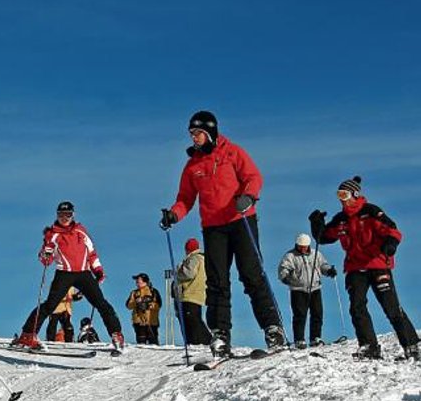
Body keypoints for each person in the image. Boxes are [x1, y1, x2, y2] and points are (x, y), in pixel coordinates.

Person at [160, 110, 285, 356]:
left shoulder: (232, 152)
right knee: (216, 281)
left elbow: (253, 176)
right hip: (213, 227)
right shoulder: (192, 165)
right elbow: (185, 198)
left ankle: (273, 328)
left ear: (210, 132)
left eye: (198, 133)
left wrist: (248, 197)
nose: (194, 138)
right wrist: (173, 214)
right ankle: (220, 334)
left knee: (251, 275)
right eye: (191, 134)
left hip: (241, 220)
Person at [310, 176, 419, 360]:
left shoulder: (370, 212)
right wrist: (316, 224)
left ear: (354, 194)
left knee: (390, 307)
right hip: (355, 267)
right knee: (356, 307)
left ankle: (412, 346)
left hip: (377, 264)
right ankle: (369, 347)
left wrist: (390, 244)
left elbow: (392, 230)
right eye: (338, 194)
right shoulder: (341, 219)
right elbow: (324, 238)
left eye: (344, 194)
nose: (341, 198)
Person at [12, 201, 123, 349]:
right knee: (50, 305)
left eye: (68, 214)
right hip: (64, 273)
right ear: (57, 215)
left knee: (101, 303)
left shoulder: (80, 230)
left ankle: (116, 334)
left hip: (84, 273)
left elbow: (91, 253)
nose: (64, 218)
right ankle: (27, 334)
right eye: (61, 215)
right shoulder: (53, 234)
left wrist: (98, 270)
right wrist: (46, 255)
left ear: (73, 215)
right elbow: (46, 259)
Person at [277, 233, 336, 348]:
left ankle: (315, 338)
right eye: (300, 246)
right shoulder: (290, 256)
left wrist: (329, 271)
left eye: (305, 246)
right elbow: (283, 268)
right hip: (298, 289)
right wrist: (284, 277)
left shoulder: (316, 254)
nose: (303, 248)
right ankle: (299, 340)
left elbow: (323, 265)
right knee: (300, 315)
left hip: (315, 288)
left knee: (317, 313)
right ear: (297, 245)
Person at [175, 238, 212, 345]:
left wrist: (178, 272)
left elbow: (189, 273)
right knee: (193, 319)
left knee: (192, 320)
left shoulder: (194, 258)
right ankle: (197, 342)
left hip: (190, 293)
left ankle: (205, 341)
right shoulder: (203, 258)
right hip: (198, 293)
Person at [126, 273, 161, 344]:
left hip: (151, 321)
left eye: (138, 281)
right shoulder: (134, 293)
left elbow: (159, 304)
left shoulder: (153, 292)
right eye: (136, 281)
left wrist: (149, 305)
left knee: (153, 344)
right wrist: (136, 302)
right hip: (139, 321)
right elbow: (128, 306)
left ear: (145, 281)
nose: (136, 283)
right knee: (141, 344)